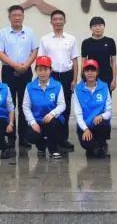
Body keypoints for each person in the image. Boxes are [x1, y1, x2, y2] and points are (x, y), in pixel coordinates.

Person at [0, 5, 39, 149]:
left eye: (19, 15)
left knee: (24, 104)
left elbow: (34, 51)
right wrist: (15, 65)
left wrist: (25, 65)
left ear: (23, 16)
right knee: (10, 104)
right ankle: (11, 137)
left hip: (26, 70)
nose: (17, 18)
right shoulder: (3, 33)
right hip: (9, 70)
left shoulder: (30, 32)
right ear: (9, 17)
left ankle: (24, 138)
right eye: (14, 15)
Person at [38, 9, 79, 151]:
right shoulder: (45, 39)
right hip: (51, 76)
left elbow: (75, 60)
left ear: (64, 21)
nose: (58, 22)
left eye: (60, 19)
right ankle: (50, 138)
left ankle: (63, 139)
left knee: (65, 108)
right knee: (51, 106)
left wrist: (74, 79)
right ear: (51, 22)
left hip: (67, 76)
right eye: (55, 19)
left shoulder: (71, 39)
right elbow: (41, 61)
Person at [22, 56, 66, 159]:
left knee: (53, 125)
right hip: (37, 120)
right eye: (40, 69)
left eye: (45, 69)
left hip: (52, 120)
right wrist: (32, 122)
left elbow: (62, 104)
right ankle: (41, 146)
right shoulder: (30, 86)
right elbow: (26, 106)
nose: (42, 73)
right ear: (36, 71)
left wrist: (52, 114)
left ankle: (53, 150)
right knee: (31, 136)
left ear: (50, 70)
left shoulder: (57, 85)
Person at [73, 59, 112, 158]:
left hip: (99, 124)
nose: (90, 73)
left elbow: (108, 111)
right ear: (83, 72)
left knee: (103, 124)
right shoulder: (78, 89)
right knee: (86, 144)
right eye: (87, 70)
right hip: (85, 125)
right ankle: (95, 147)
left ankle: (101, 145)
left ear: (97, 72)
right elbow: (78, 114)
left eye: (93, 70)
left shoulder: (104, 87)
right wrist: (85, 129)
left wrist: (101, 116)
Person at [81, 16, 117, 93]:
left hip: (106, 75)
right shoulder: (86, 42)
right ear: (91, 28)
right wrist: (83, 78)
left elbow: (113, 62)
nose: (97, 28)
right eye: (94, 26)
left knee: (106, 98)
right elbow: (83, 62)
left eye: (100, 25)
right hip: (91, 75)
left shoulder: (110, 41)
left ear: (104, 27)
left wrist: (114, 79)